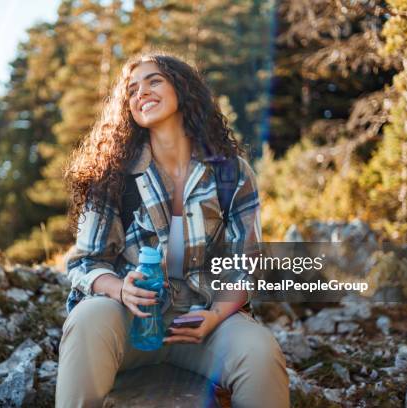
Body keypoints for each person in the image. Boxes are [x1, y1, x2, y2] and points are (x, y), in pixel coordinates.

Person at [56, 51, 289, 408]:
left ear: (183, 89)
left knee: (260, 352)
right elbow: (84, 263)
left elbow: (248, 267)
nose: (140, 93)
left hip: (203, 325)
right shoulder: (111, 176)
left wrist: (214, 316)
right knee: (87, 318)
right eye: (131, 90)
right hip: (131, 323)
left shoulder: (232, 174)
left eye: (154, 81)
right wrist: (121, 290)